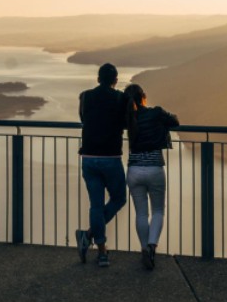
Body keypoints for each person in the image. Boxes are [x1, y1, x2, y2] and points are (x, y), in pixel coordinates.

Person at [75, 63, 127, 268]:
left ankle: (99, 247)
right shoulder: (121, 98)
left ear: (98, 79)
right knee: (119, 198)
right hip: (111, 157)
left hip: (88, 157)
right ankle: (89, 237)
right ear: (115, 80)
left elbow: (83, 119)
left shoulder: (85, 96)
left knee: (96, 205)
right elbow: (125, 123)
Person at [122, 82, 178, 271]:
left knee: (141, 214)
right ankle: (152, 247)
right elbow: (175, 121)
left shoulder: (128, 118)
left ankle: (144, 249)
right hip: (154, 169)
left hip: (134, 170)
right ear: (143, 96)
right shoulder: (155, 113)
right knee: (158, 211)